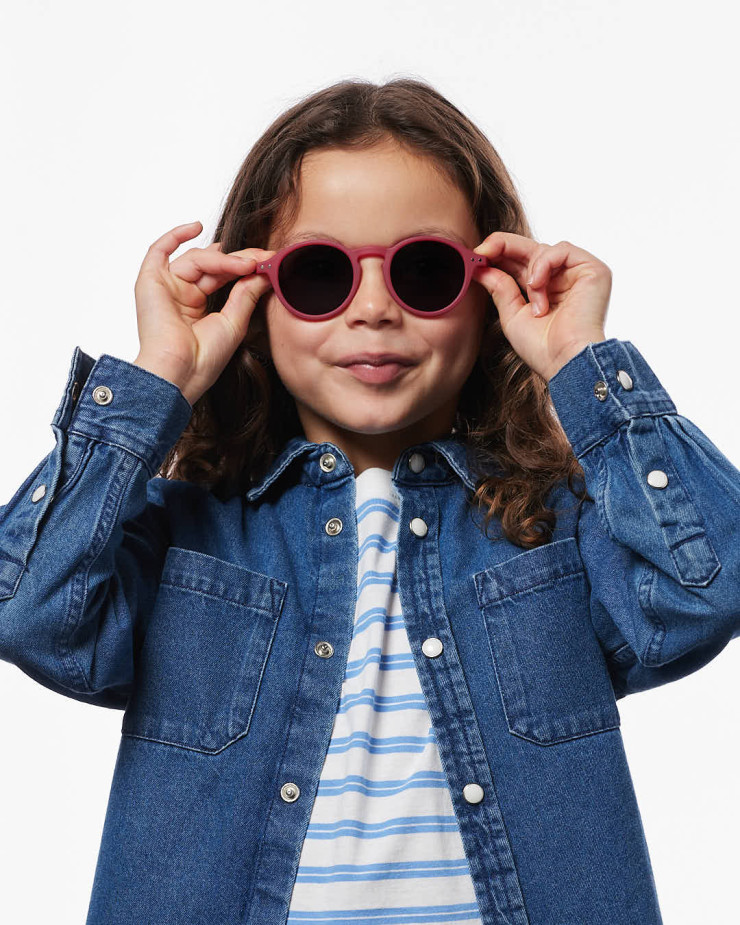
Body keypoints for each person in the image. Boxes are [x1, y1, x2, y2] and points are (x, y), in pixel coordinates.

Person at [0, 77, 738, 925]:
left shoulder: (557, 529)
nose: (377, 309)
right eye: (320, 276)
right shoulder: (186, 535)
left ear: (491, 290)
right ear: (254, 298)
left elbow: (708, 588)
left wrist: (582, 360)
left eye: (427, 272)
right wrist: (157, 377)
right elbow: (28, 611)